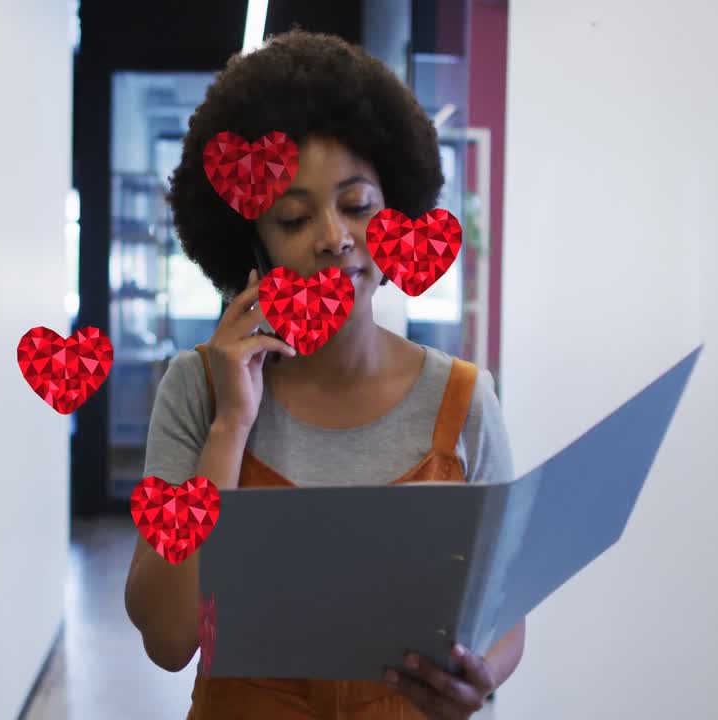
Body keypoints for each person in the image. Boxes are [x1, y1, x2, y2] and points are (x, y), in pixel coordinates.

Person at [124, 28, 525, 720]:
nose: (335, 237)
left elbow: (506, 610)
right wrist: (229, 428)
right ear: (254, 245)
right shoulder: (197, 392)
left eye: (359, 204)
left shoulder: (463, 399)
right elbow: (168, 636)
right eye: (293, 216)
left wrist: (481, 673)